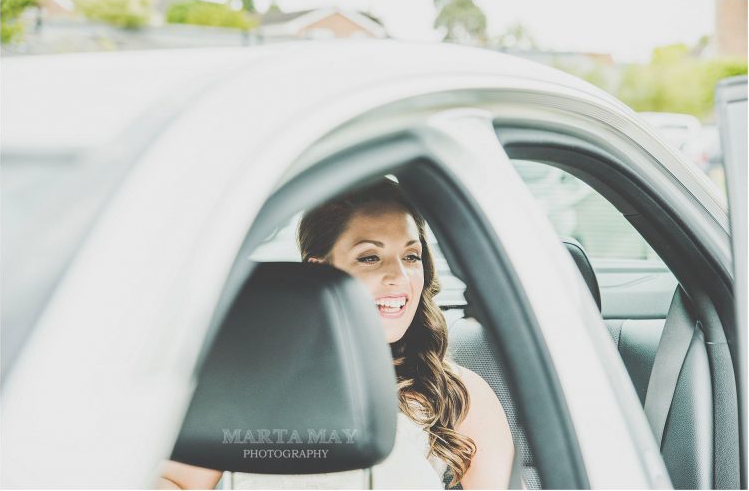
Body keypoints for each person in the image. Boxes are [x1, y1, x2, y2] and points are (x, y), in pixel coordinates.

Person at [157, 178, 514, 489]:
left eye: (411, 256)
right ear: (321, 271)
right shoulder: (256, 382)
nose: (399, 277)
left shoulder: (458, 394)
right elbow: (175, 480)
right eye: (370, 257)